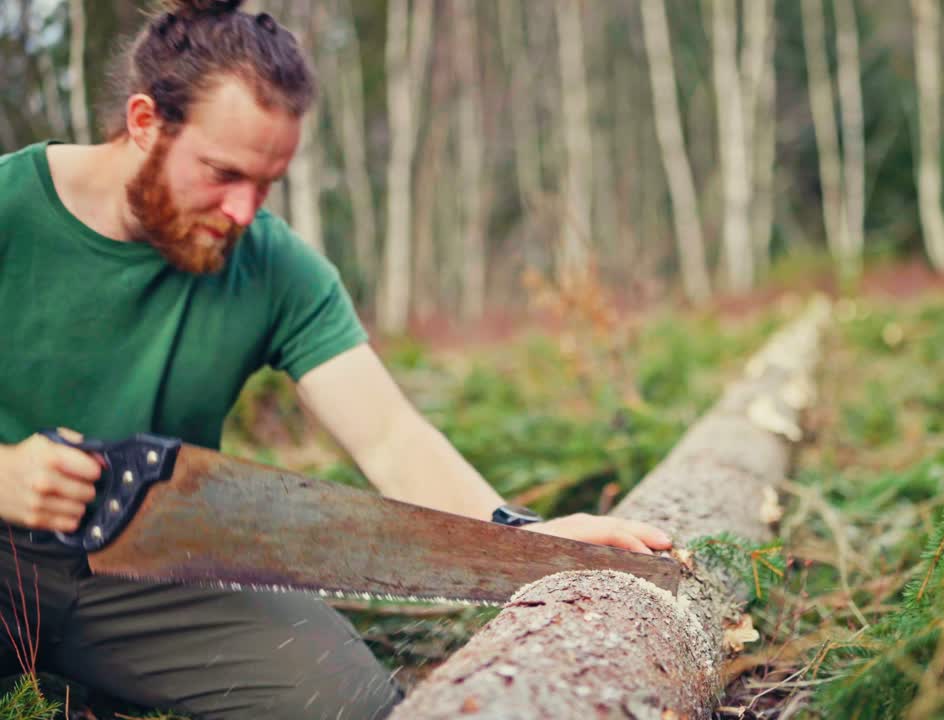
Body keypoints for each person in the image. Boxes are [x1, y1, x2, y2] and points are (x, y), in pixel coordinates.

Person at [0, 1, 672, 717]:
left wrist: (522, 540)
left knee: (345, 701)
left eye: (267, 184)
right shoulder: (12, 207)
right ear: (144, 123)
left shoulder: (275, 266)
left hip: (152, 568)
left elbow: (390, 435)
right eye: (223, 173)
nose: (243, 211)